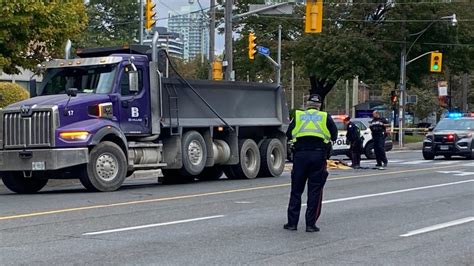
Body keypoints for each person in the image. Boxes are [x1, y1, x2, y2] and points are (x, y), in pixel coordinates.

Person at [284, 94, 338, 232]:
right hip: (318, 156)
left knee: (296, 190)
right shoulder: (325, 117)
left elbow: (288, 133)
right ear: (319, 105)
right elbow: (334, 135)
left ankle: (292, 223)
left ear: (307, 104)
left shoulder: (298, 116)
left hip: (300, 155)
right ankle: (310, 224)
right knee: (315, 191)